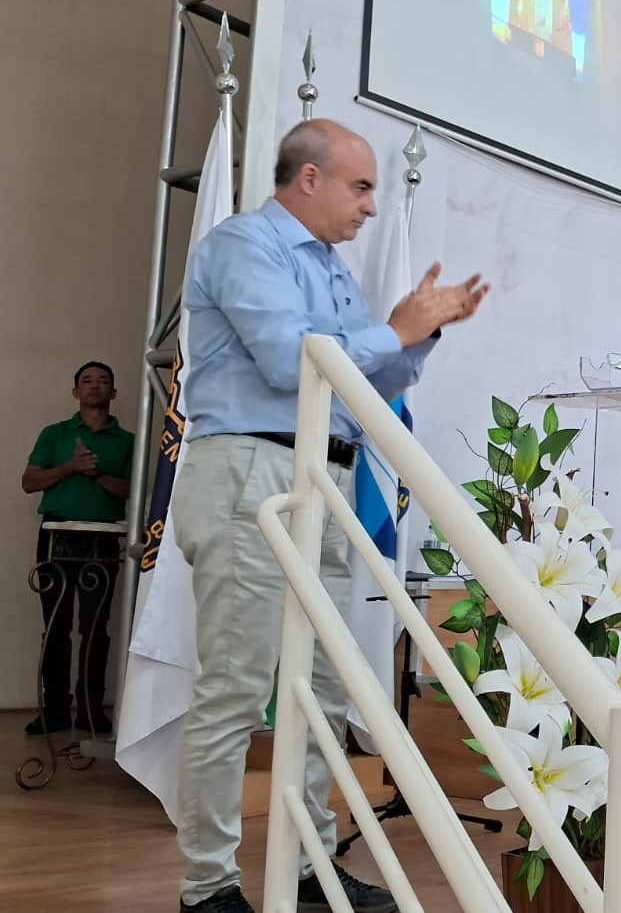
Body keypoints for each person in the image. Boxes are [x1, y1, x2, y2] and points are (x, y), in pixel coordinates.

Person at [172, 118, 487, 913]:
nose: (372, 207)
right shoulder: (245, 245)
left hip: (326, 477)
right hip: (254, 469)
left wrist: (423, 333)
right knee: (238, 690)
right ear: (307, 178)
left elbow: (366, 386)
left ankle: (310, 859)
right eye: (361, 186)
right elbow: (290, 359)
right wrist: (395, 328)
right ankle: (206, 883)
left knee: (323, 688)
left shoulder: (336, 272)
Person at [21, 361, 136, 736]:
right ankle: (53, 711)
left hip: (102, 539)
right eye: (87, 381)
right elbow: (29, 481)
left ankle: (90, 710)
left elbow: (134, 490)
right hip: (56, 536)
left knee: (95, 629)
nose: (95, 386)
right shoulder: (55, 434)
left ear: (113, 393)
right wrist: (71, 466)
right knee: (54, 628)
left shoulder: (128, 440)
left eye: (103, 381)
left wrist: (97, 474)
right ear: (75, 391)